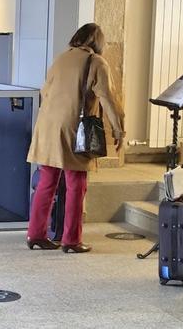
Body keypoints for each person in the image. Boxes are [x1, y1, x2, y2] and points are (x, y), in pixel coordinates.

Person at [25, 23, 125, 254]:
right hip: (73, 128)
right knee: (76, 184)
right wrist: (119, 130)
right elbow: (108, 98)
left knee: (46, 181)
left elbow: (44, 92)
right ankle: (71, 240)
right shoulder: (96, 62)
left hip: (47, 126)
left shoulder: (61, 59)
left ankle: (36, 234)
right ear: (97, 42)